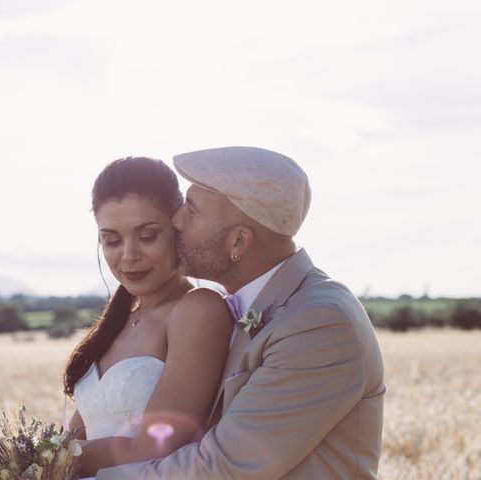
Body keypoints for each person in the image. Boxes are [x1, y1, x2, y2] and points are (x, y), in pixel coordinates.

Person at [96, 146, 386, 479]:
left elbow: (225, 466)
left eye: (191, 210)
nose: (175, 219)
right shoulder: (241, 307)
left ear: (238, 242)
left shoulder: (320, 324)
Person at [63, 157, 234, 478]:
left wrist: (46, 460)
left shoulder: (198, 310)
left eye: (147, 235)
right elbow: (75, 435)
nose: (128, 256)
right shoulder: (116, 321)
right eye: (111, 240)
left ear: (177, 227)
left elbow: (153, 446)